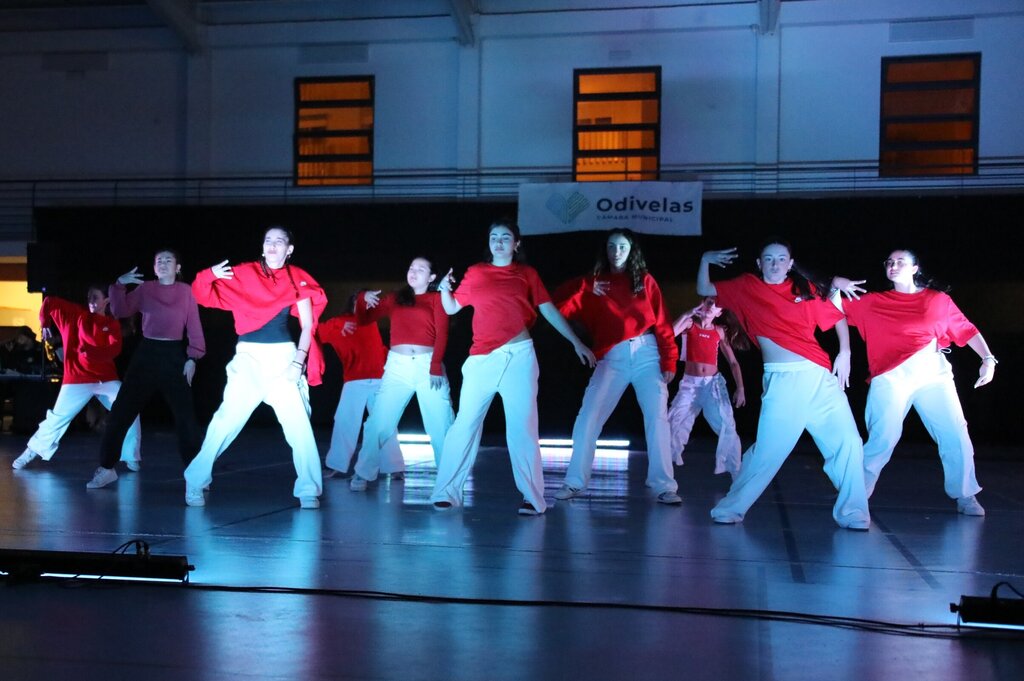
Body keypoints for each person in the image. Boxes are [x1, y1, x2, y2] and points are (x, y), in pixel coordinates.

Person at [697, 239, 870, 529]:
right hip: (783, 381)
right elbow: (704, 288)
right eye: (768, 258)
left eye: (781, 259)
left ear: (790, 264)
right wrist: (705, 259)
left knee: (849, 442)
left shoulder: (805, 289)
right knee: (768, 451)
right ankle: (731, 507)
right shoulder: (746, 286)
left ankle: (854, 513)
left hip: (819, 377)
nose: (775, 263)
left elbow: (836, 317)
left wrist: (845, 352)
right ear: (759, 263)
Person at [429, 218, 596, 516]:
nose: (499, 242)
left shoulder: (526, 274)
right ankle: (446, 492)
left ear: (516, 244)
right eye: (494, 237)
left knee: (522, 428)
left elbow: (547, 309)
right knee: (464, 425)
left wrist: (575, 342)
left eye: (506, 237)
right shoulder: (476, 272)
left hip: (519, 357)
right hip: (482, 359)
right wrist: (443, 288)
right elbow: (452, 307)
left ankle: (533, 498)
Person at [836, 249, 994, 516]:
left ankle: (965, 494)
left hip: (933, 374)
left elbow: (966, 329)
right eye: (889, 262)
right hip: (890, 377)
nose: (893, 265)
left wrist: (988, 358)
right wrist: (835, 283)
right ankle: (856, 495)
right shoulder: (872, 302)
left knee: (955, 433)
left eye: (901, 262)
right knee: (883, 438)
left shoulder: (938, 300)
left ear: (915, 268)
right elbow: (831, 308)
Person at [184, 226, 327, 510]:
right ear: (262, 247)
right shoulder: (243, 274)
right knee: (225, 421)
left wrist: (298, 362)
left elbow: (308, 324)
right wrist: (209, 274)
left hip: (284, 358)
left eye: (279, 241)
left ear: (289, 249)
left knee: (299, 426)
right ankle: (195, 480)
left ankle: (309, 489)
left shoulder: (297, 277)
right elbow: (201, 294)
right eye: (268, 241)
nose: (272, 245)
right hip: (248, 358)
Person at [551, 228, 681, 504]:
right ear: (605, 250)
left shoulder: (644, 280)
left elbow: (662, 322)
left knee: (657, 417)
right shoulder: (593, 283)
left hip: (647, 353)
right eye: (612, 246)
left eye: (622, 246)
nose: (617, 251)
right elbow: (555, 306)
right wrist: (585, 285)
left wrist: (669, 358)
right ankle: (574, 482)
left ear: (631, 251)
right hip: (612, 357)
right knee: (588, 416)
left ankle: (664, 485)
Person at [86, 249, 206, 489]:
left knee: (186, 419)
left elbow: (194, 326)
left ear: (177, 268)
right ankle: (107, 468)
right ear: (154, 268)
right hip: (147, 354)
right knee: (120, 412)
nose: (163, 263)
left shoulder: (186, 292)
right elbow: (120, 310)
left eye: (168, 260)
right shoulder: (146, 289)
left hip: (173, 355)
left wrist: (193, 357)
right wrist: (119, 285)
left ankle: (196, 474)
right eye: (159, 260)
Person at [349, 257, 455, 491]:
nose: (413, 272)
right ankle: (363, 472)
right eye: (411, 268)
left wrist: (435, 365)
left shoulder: (437, 299)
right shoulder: (395, 298)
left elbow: (443, 333)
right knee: (378, 421)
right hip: (398, 367)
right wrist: (363, 298)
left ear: (432, 277)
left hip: (429, 366)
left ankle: (448, 480)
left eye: (420, 269)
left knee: (441, 424)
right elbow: (364, 319)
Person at [12, 287, 141, 470]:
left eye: (95, 297)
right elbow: (49, 302)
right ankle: (31, 451)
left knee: (129, 409)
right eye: (89, 297)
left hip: (105, 379)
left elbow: (114, 350)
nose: (91, 301)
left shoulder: (111, 324)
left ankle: (130, 455)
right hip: (77, 378)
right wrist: (45, 322)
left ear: (106, 301)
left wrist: (90, 352)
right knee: (58, 418)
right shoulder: (76, 315)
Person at [318, 293, 404, 480]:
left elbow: (377, 349)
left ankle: (395, 466)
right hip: (355, 380)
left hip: (379, 379)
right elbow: (317, 332)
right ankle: (336, 465)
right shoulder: (341, 322)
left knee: (385, 422)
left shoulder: (371, 322)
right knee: (345, 422)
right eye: (367, 301)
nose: (371, 305)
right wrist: (338, 326)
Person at [666, 297, 748, 479]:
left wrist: (740, 388)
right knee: (672, 422)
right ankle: (666, 470)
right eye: (709, 302)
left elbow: (733, 362)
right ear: (701, 305)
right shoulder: (689, 324)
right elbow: (668, 334)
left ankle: (736, 472)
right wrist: (686, 314)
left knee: (727, 425)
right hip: (690, 386)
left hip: (713, 386)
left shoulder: (719, 331)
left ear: (719, 313)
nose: (712, 307)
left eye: (716, 305)